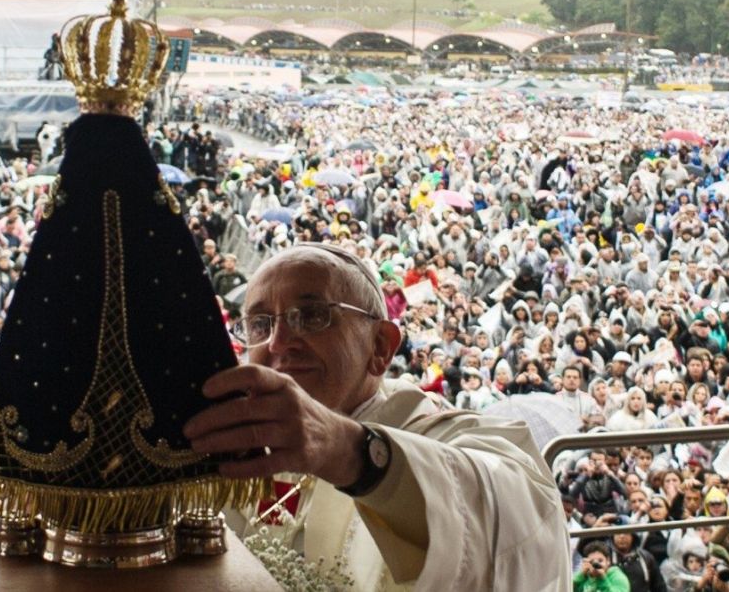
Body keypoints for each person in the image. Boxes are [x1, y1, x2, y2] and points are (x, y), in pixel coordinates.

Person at [184, 243, 570, 590]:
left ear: (381, 346)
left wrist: (349, 452)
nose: (278, 343)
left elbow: (524, 513)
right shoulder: (239, 437)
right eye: (259, 323)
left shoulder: (430, 430)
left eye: (312, 315)